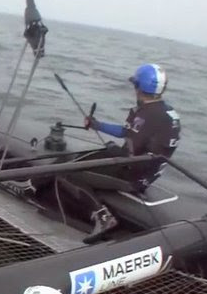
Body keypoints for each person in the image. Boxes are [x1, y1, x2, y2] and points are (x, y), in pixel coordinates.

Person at [65, 63, 181, 243]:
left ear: (139, 86)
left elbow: (131, 155)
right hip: (146, 174)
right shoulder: (163, 111)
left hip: (133, 177)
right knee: (83, 159)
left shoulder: (148, 115)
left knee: (70, 172)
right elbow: (127, 132)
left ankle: (103, 217)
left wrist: (115, 151)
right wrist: (97, 125)